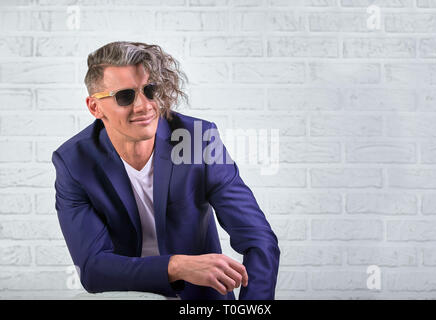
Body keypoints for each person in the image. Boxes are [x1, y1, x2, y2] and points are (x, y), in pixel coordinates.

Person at [52, 41, 280, 300]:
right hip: (127, 294)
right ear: (95, 107)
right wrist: (176, 266)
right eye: (125, 96)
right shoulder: (74, 162)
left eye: (151, 91)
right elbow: (92, 269)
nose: (144, 106)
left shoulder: (198, 140)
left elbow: (259, 239)